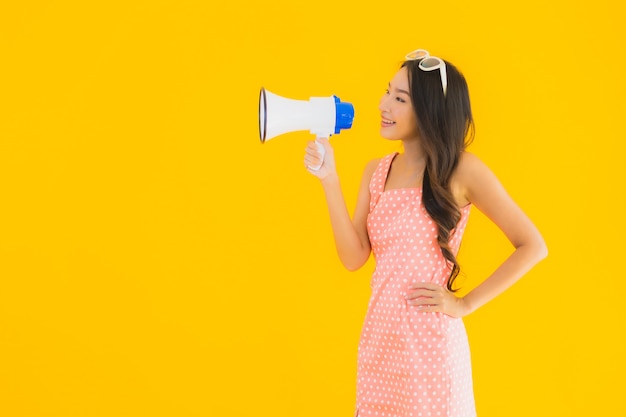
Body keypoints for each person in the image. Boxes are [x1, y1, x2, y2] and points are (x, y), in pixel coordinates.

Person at [303, 49, 548, 417]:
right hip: (380, 343)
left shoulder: (462, 170)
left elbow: (533, 245)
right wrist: (329, 179)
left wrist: (465, 305)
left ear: (430, 110)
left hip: (430, 349)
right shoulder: (376, 171)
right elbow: (353, 257)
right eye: (388, 92)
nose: (384, 104)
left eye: (400, 99)